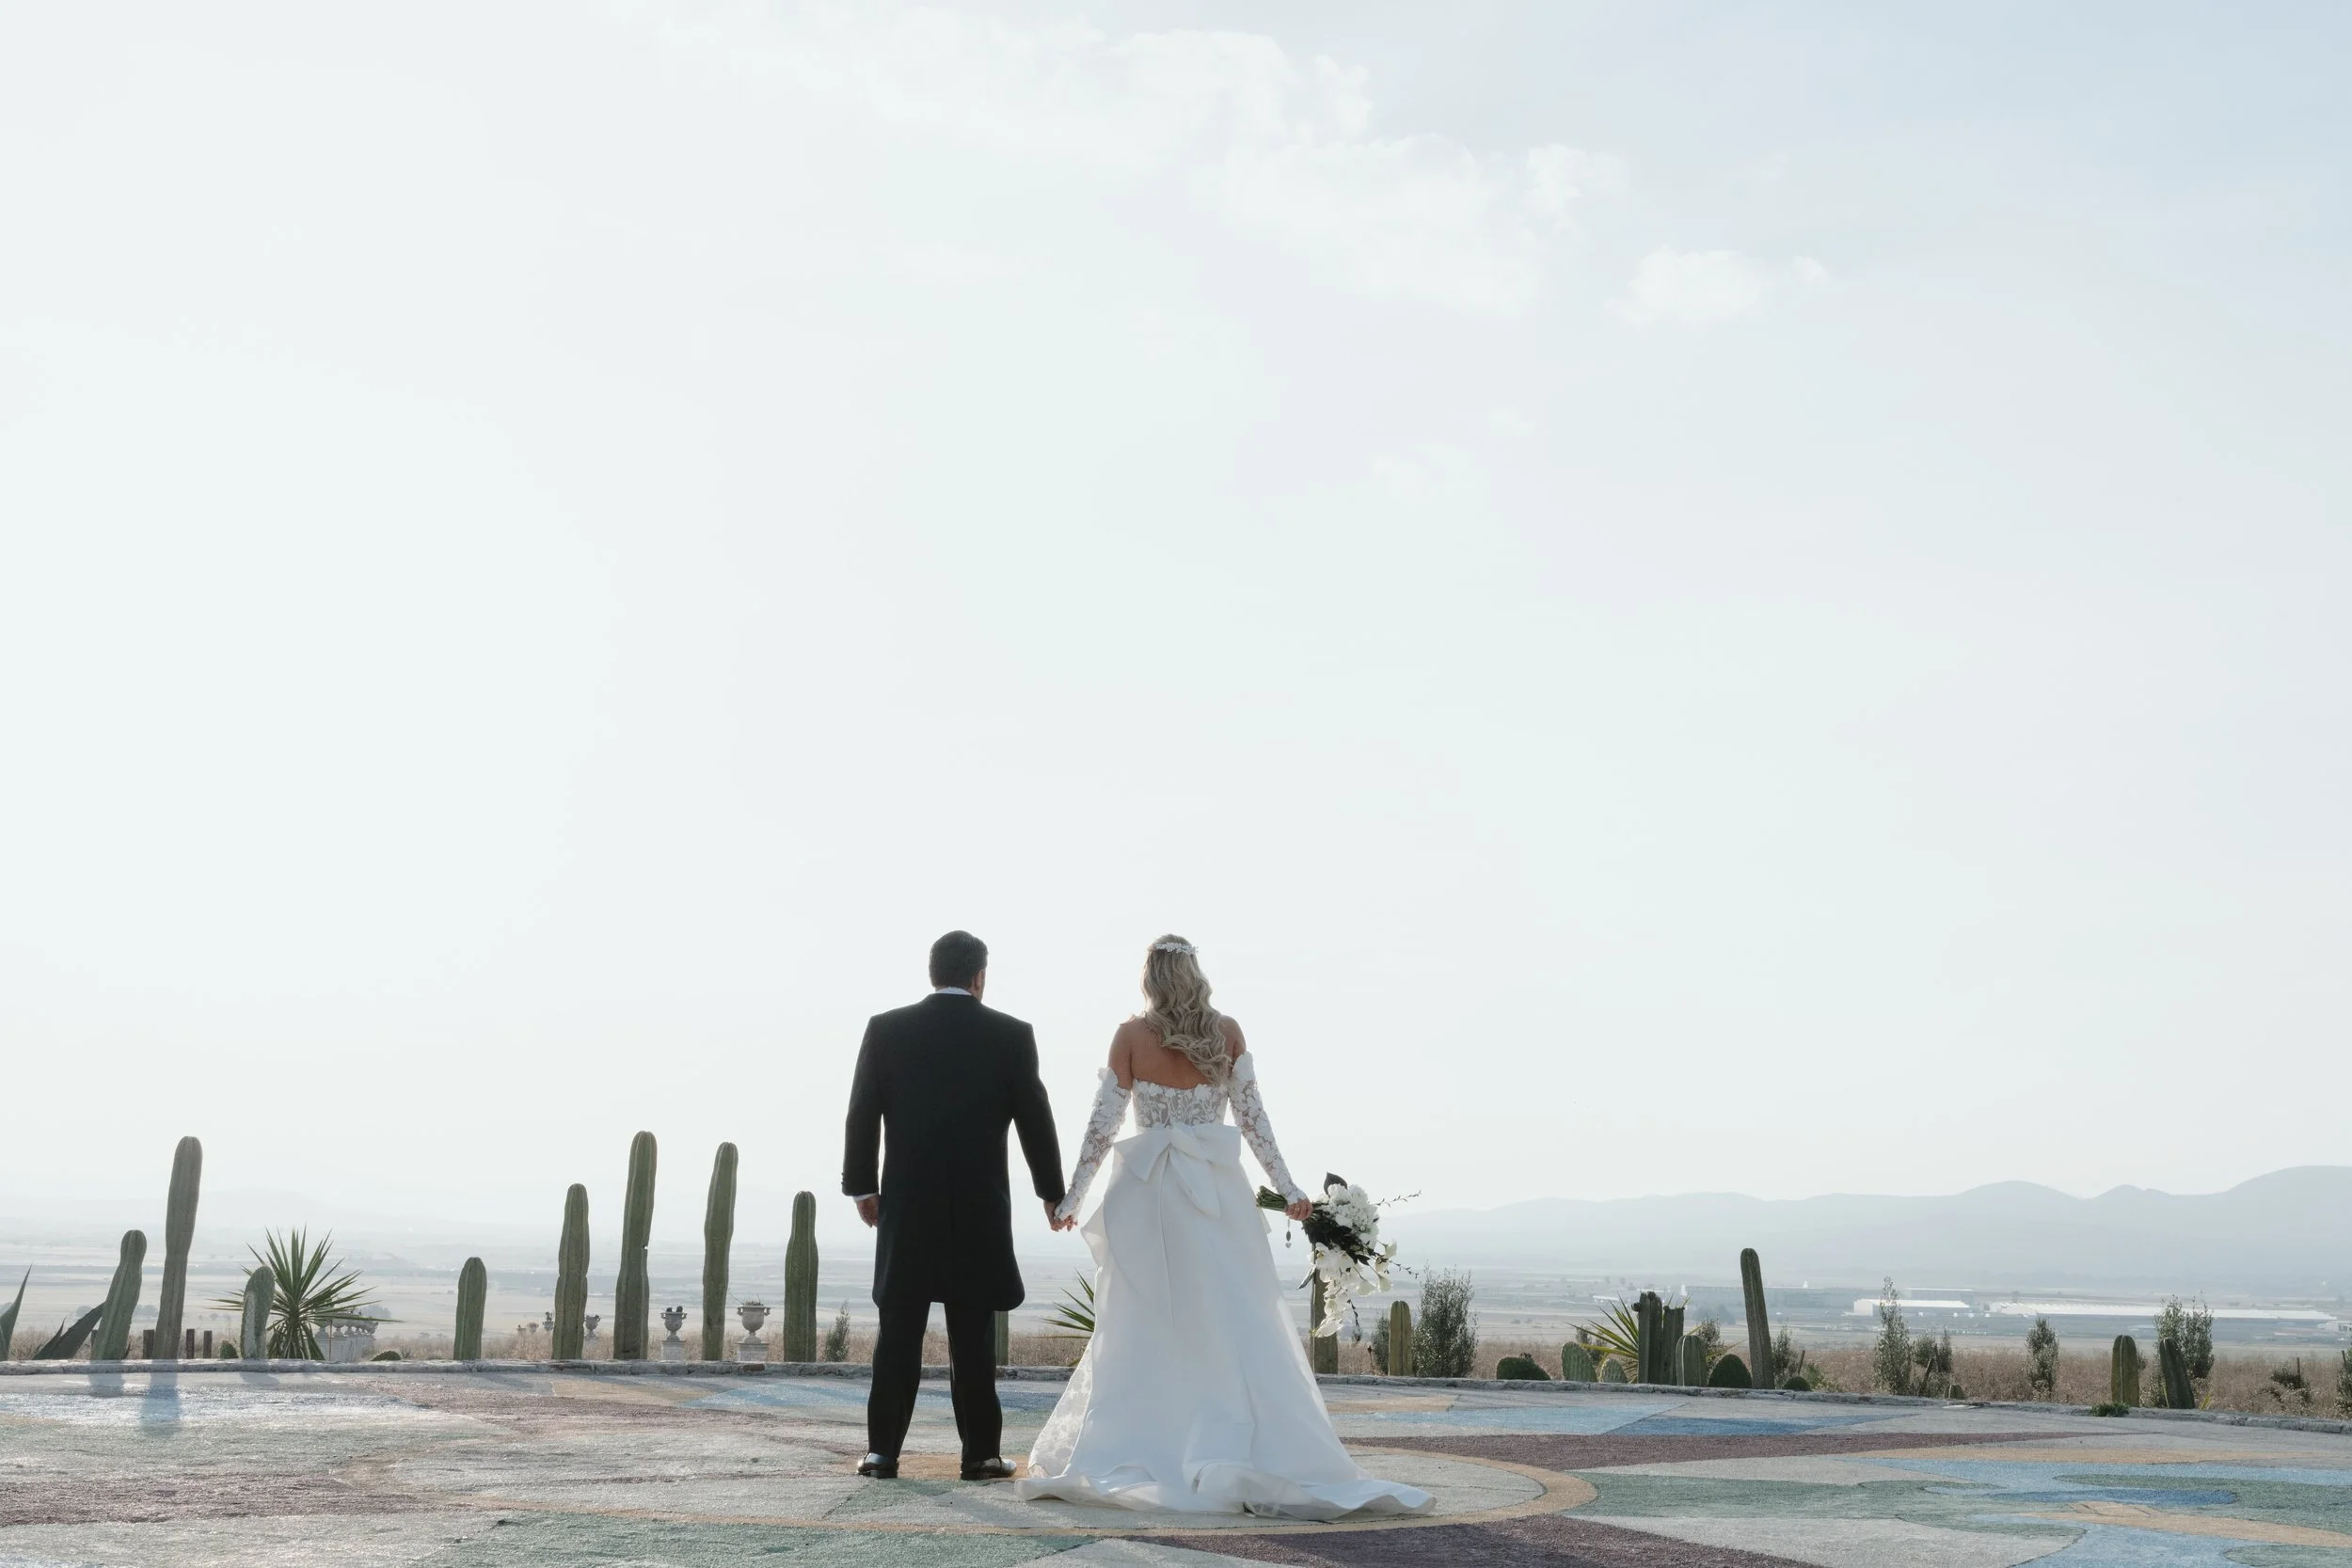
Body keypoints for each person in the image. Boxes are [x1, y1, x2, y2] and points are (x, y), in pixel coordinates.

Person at [1013, 936, 1433, 1519]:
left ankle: (1149, 1440)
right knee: (1230, 1318)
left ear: (1152, 979)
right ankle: (1232, 1439)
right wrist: (1290, 1190)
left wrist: (1070, 1199)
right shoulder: (1226, 1032)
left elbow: (1102, 1127)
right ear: (1195, 974)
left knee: (1145, 1318)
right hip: (1217, 1199)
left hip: (1150, 1198)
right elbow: (1255, 1121)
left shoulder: (1130, 1037)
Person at [841, 929, 1065, 1481]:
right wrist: (1053, 1193)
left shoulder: (886, 1029)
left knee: (898, 1333)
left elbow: (862, 1112)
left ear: (932, 973)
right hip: (978, 1210)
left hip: (907, 1207)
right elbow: (1035, 1118)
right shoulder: (1011, 1035)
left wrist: (864, 1189)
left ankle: (881, 1454)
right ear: (979, 977)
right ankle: (981, 1456)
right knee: (972, 1339)